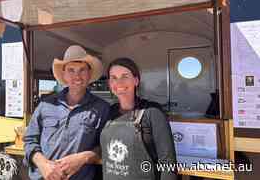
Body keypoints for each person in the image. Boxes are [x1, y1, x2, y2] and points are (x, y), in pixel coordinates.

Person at [23, 45, 110, 180]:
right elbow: (30, 140)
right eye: (71, 70)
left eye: (82, 70)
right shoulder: (45, 104)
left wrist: (83, 158)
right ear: (63, 74)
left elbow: (106, 146)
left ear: (89, 73)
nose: (77, 76)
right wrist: (43, 164)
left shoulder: (102, 108)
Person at [100, 57, 177, 180]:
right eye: (113, 78)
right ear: (109, 83)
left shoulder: (152, 112)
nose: (119, 83)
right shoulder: (107, 112)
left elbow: (168, 163)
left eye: (125, 77)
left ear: (136, 81)